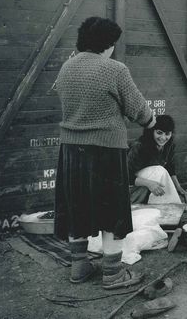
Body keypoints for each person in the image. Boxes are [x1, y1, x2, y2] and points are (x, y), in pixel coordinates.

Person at [53, 16, 156, 289]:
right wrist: (151, 120)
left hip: (71, 151)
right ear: (108, 44)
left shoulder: (66, 68)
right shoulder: (115, 70)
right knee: (112, 213)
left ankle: (79, 267)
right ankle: (112, 274)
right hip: (106, 152)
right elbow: (138, 111)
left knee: (77, 208)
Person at [127, 115, 187, 204]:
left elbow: (169, 166)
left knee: (161, 172)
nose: (163, 138)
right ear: (152, 131)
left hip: (152, 185)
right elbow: (125, 176)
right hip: (132, 189)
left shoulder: (169, 145)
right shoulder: (139, 146)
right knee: (159, 170)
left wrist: (178, 186)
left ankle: (171, 206)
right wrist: (149, 184)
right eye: (159, 133)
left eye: (167, 134)